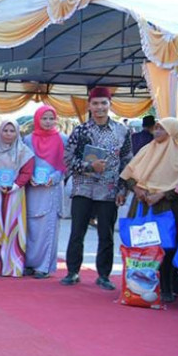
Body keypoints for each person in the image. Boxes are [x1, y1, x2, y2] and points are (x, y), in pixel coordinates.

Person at [61, 87, 132, 289]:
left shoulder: (122, 131)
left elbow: (127, 161)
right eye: (95, 103)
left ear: (110, 105)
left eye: (103, 103)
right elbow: (68, 159)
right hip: (83, 188)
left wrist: (122, 189)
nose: (99, 107)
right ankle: (73, 272)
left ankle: (104, 275)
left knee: (106, 234)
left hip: (109, 191)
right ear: (89, 105)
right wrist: (89, 166)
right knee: (77, 232)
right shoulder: (80, 130)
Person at [121, 117, 178, 302]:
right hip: (142, 206)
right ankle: (134, 286)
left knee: (165, 248)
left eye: (162, 129)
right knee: (141, 247)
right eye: (156, 128)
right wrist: (136, 188)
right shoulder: (147, 149)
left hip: (166, 208)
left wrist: (161, 194)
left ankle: (165, 289)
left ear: (173, 131)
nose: (156, 132)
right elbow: (129, 174)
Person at [0, 119, 35, 277]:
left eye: (12, 131)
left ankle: (12, 264)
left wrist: (14, 185)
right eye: (5, 130)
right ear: (0, 131)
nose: (8, 134)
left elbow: (27, 171)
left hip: (15, 194)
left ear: (17, 132)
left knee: (13, 227)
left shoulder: (24, 151)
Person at [23, 106, 67, 278]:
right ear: (37, 120)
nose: (48, 122)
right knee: (31, 227)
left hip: (52, 189)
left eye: (51, 118)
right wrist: (29, 177)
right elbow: (26, 162)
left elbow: (65, 164)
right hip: (33, 188)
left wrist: (55, 178)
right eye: (44, 118)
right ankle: (28, 263)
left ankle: (43, 267)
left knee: (48, 228)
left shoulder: (63, 139)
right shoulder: (28, 139)